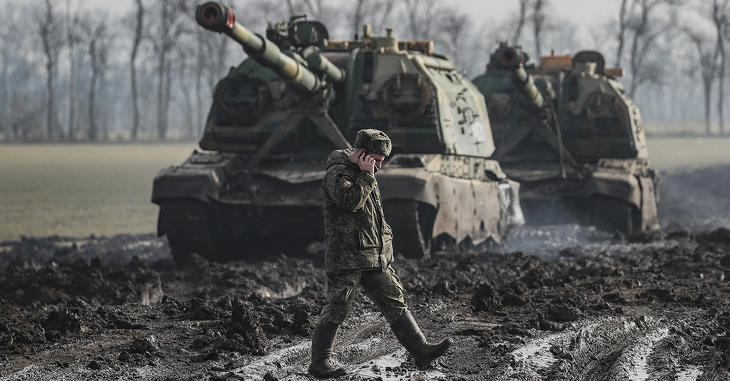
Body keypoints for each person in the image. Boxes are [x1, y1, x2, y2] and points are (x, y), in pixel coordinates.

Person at [308, 129, 452, 378]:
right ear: (363, 155)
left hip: (373, 254)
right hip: (349, 256)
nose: (380, 165)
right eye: (377, 159)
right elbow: (349, 202)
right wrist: (365, 176)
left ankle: (420, 349)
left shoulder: (367, 172)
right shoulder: (339, 173)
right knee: (339, 305)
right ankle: (319, 363)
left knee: (393, 299)